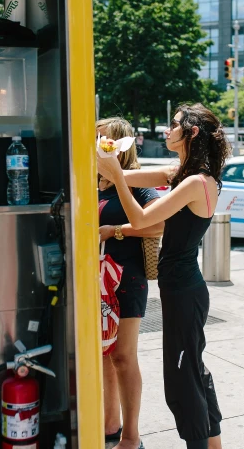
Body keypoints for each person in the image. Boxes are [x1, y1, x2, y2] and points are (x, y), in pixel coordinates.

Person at [97, 103, 229, 449]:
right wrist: (103, 160)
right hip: (180, 289)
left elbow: (142, 220)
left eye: (174, 126)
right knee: (194, 371)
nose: (167, 131)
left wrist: (113, 172)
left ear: (192, 132)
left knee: (182, 379)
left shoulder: (196, 182)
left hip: (184, 291)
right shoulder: (181, 174)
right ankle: (213, 445)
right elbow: (121, 178)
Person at [97, 118, 163, 449]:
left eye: (103, 140)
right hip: (95, 280)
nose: (96, 146)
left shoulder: (137, 184)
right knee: (104, 356)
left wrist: (115, 230)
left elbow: (157, 225)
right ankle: (110, 426)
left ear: (120, 145)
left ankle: (131, 437)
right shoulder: (93, 184)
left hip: (127, 279)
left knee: (123, 356)